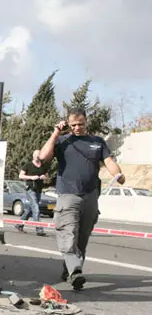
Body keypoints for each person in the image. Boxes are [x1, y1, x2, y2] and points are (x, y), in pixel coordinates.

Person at [38, 107, 125, 290]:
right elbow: (43, 157)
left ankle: (69, 271)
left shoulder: (97, 142)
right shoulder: (62, 141)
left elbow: (109, 161)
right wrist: (55, 132)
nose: (77, 128)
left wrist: (118, 175)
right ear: (68, 124)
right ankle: (75, 271)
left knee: (82, 238)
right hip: (68, 194)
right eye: (74, 125)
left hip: (91, 195)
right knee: (68, 232)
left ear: (87, 122)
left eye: (81, 124)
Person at [15, 149, 48, 236]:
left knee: (31, 209)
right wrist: (31, 177)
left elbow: (47, 177)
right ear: (33, 156)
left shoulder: (43, 166)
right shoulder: (28, 165)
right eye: (36, 155)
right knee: (36, 209)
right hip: (30, 189)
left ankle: (19, 224)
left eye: (39, 155)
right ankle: (39, 229)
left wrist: (44, 177)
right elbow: (20, 176)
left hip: (39, 189)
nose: (38, 157)